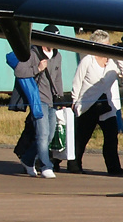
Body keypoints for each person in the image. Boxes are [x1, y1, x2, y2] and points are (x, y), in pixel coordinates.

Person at [13, 28, 64, 178]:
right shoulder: (33, 53)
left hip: (52, 101)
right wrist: (38, 68)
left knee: (49, 136)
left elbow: (58, 78)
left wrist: (61, 97)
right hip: (38, 100)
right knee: (42, 134)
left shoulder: (58, 56)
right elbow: (19, 71)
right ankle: (46, 166)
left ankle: (27, 160)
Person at [69, 31, 122, 175]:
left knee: (111, 137)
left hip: (107, 106)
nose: (108, 47)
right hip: (88, 104)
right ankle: (74, 164)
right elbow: (77, 81)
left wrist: (119, 58)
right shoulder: (88, 60)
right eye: (105, 45)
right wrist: (74, 100)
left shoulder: (113, 61)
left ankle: (114, 168)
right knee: (82, 137)